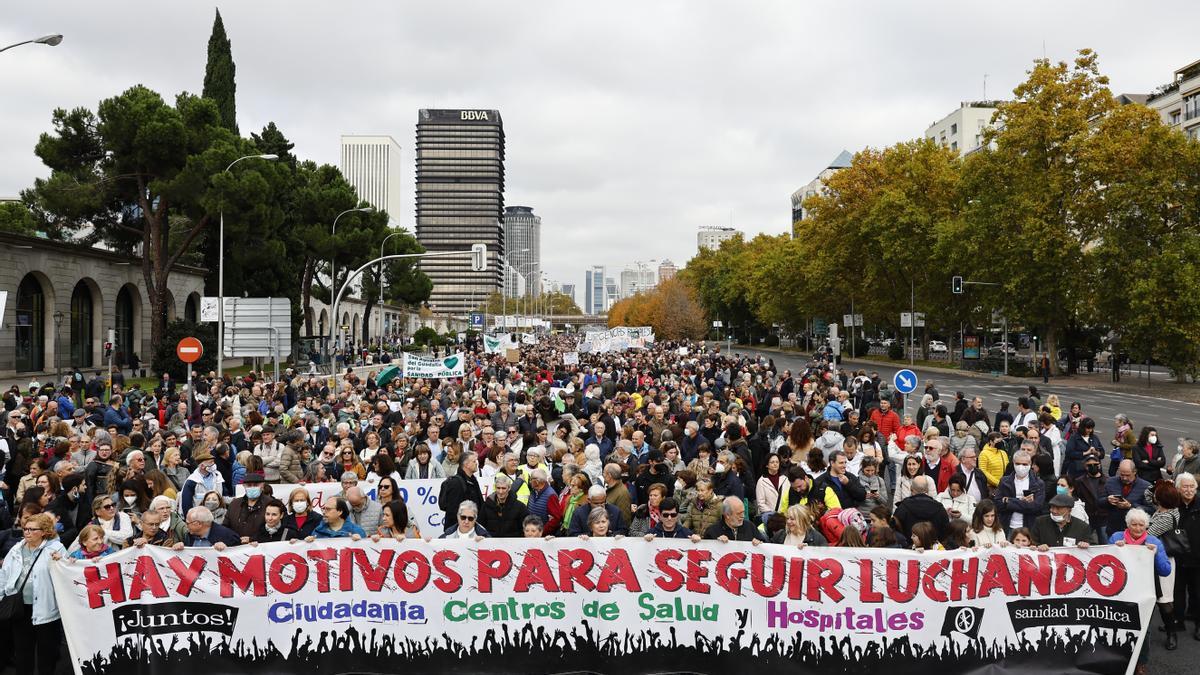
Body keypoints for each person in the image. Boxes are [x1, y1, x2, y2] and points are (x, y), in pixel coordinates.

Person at [2, 513, 66, 675]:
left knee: (47, 654)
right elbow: (4, 574)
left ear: (44, 531)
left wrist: (62, 561)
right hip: (19, 608)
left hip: (46, 609)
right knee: (23, 652)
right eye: (25, 529)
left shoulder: (55, 549)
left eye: (32, 529)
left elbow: (66, 574)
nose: (27, 532)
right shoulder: (16, 549)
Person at [1110, 508, 1173, 673]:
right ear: (1127, 524)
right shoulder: (1116, 537)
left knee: (1142, 628)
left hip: (1146, 592)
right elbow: (1105, 563)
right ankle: (1120, 658)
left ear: (1147, 526)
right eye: (1134, 524)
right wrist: (1114, 550)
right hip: (1121, 590)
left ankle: (1141, 662)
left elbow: (1165, 570)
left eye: (1141, 525)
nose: (1137, 528)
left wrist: (1156, 553)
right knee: (1119, 625)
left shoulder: (1154, 541)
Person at [1148, 480, 1183, 651]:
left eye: (1157, 494)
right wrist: (1157, 485)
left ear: (1161, 499)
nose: (1153, 496)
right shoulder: (1167, 510)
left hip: (1162, 560)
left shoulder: (1166, 517)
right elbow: (1148, 495)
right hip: (1151, 559)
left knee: (1163, 600)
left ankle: (1172, 633)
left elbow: (1147, 535)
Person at [1172, 472, 1199, 642]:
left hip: (1198, 558)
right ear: (1178, 489)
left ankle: (1198, 624)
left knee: (1198, 593)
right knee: (1177, 592)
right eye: (1185, 487)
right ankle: (1178, 621)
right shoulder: (1173, 505)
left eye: (1192, 486)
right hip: (1178, 557)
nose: (1189, 490)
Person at [995, 450, 1045, 533]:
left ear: (1030, 464)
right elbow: (998, 504)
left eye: (1025, 464)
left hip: (1029, 527)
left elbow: (1036, 507)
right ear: (1013, 463)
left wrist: (1008, 501)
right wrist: (1022, 501)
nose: (1021, 467)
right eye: (1018, 464)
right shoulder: (1004, 481)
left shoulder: (1038, 483)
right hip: (1008, 526)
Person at [892, 475, 950, 542]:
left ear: (911, 489)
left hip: (909, 548)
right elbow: (946, 531)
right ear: (927, 490)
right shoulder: (939, 508)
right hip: (934, 549)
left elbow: (895, 529)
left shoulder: (903, 507)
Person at [1031, 493, 1096, 550]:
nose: (1054, 511)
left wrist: (1086, 545)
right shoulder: (1040, 522)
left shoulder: (1082, 527)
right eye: (1052, 507)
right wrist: (1038, 546)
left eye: (1058, 508)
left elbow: (1095, 548)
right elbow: (1031, 543)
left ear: (1069, 510)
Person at [1105, 459, 1152, 537]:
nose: (1124, 478)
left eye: (1127, 475)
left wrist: (1130, 506)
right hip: (1113, 529)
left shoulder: (1146, 486)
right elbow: (1098, 502)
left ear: (1134, 472)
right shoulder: (1110, 482)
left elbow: (1151, 510)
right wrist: (1107, 500)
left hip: (1134, 532)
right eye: (1122, 475)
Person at [224, 472, 274, 542]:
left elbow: (276, 528)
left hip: (261, 547)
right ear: (244, 486)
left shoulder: (272, 503)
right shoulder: (234, 504)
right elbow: (226, 526)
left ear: (262, 486)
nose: (252, 487)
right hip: (236, 546)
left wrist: (253, 539)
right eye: (249, 485)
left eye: (256, 485)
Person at [439, 453, 484, 529]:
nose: (476, 463)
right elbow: (453, 511)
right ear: (466, 464)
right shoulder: (456, 483)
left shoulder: (473, 481)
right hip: (458, 532)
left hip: (471, 529)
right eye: (474, 461)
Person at [479, 474, 528, 538]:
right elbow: (480, 526)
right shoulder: (486, 505)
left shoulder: (520, 507)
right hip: (491, 544)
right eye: (498, 488)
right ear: (495, 488)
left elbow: (525, 528)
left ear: (509, 488)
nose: (500, 491)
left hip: (513, 544)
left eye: (503, 488)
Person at [175, 506, 241, 549]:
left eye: (188, 523)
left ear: (198, 524)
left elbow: (239, 558)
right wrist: (179, 548)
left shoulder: (228, 537)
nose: (186, 526)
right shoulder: (189, 535)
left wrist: (227, 550)